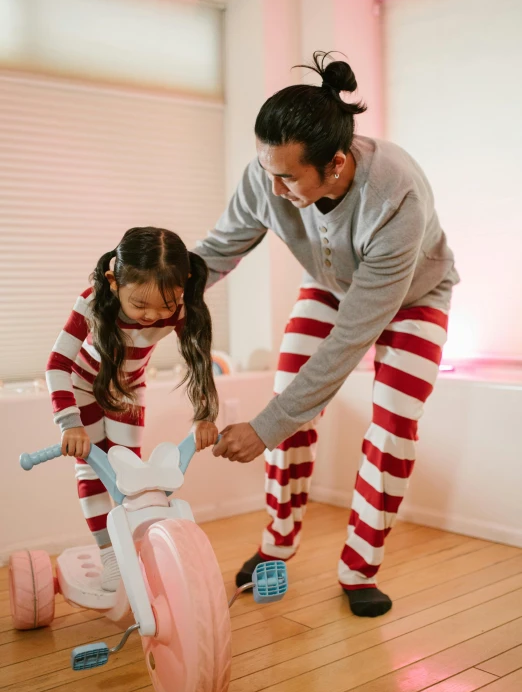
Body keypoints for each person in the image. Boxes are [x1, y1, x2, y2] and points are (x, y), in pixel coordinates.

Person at [196, 52, 459, 618]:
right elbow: (216, 253)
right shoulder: (267, 177)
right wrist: (160, 282)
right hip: (331, 286)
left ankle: (359, 569)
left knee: (392, 425)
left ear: (336, 164)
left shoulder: (396, 196)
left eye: (287, 176)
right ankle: (277, 542)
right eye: (267, 169)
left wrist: (265, 425)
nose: (272, 186)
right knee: (290, 405)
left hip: (414, 299)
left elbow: (351, 338)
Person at [46, 226, 219, 591]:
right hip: (83, 389)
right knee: (92, 472)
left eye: (165, 305)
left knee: (132, 476)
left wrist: (205, 416)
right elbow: (57, 364)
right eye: (140, 305)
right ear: (113, 281)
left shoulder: (183, 309)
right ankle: (110, 554)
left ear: (184, 284)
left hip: (127, 391)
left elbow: (199, 362)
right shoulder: (92, 303)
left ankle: (136, 550)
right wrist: (69, 424)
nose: (152, 316)